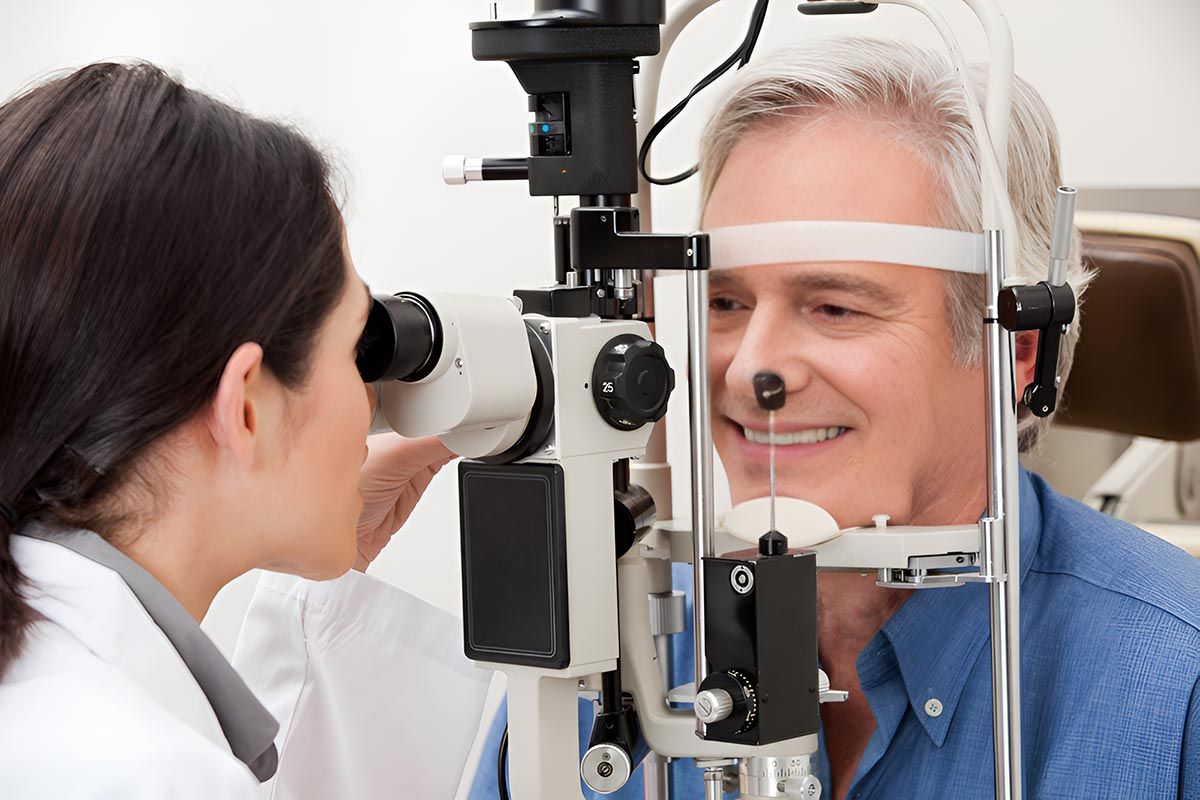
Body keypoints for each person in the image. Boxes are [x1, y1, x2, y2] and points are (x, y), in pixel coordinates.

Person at [469, 38, 1200, 799]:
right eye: (726, 302)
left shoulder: (1174, 686)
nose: (753, 368)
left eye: (835, 307)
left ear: (1015, 354)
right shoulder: (624, 646)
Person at [0, 62, 489, 797]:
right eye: (357, 347)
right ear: (247, 406)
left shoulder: (57, 709)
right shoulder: (143, 772)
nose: (374, 401)